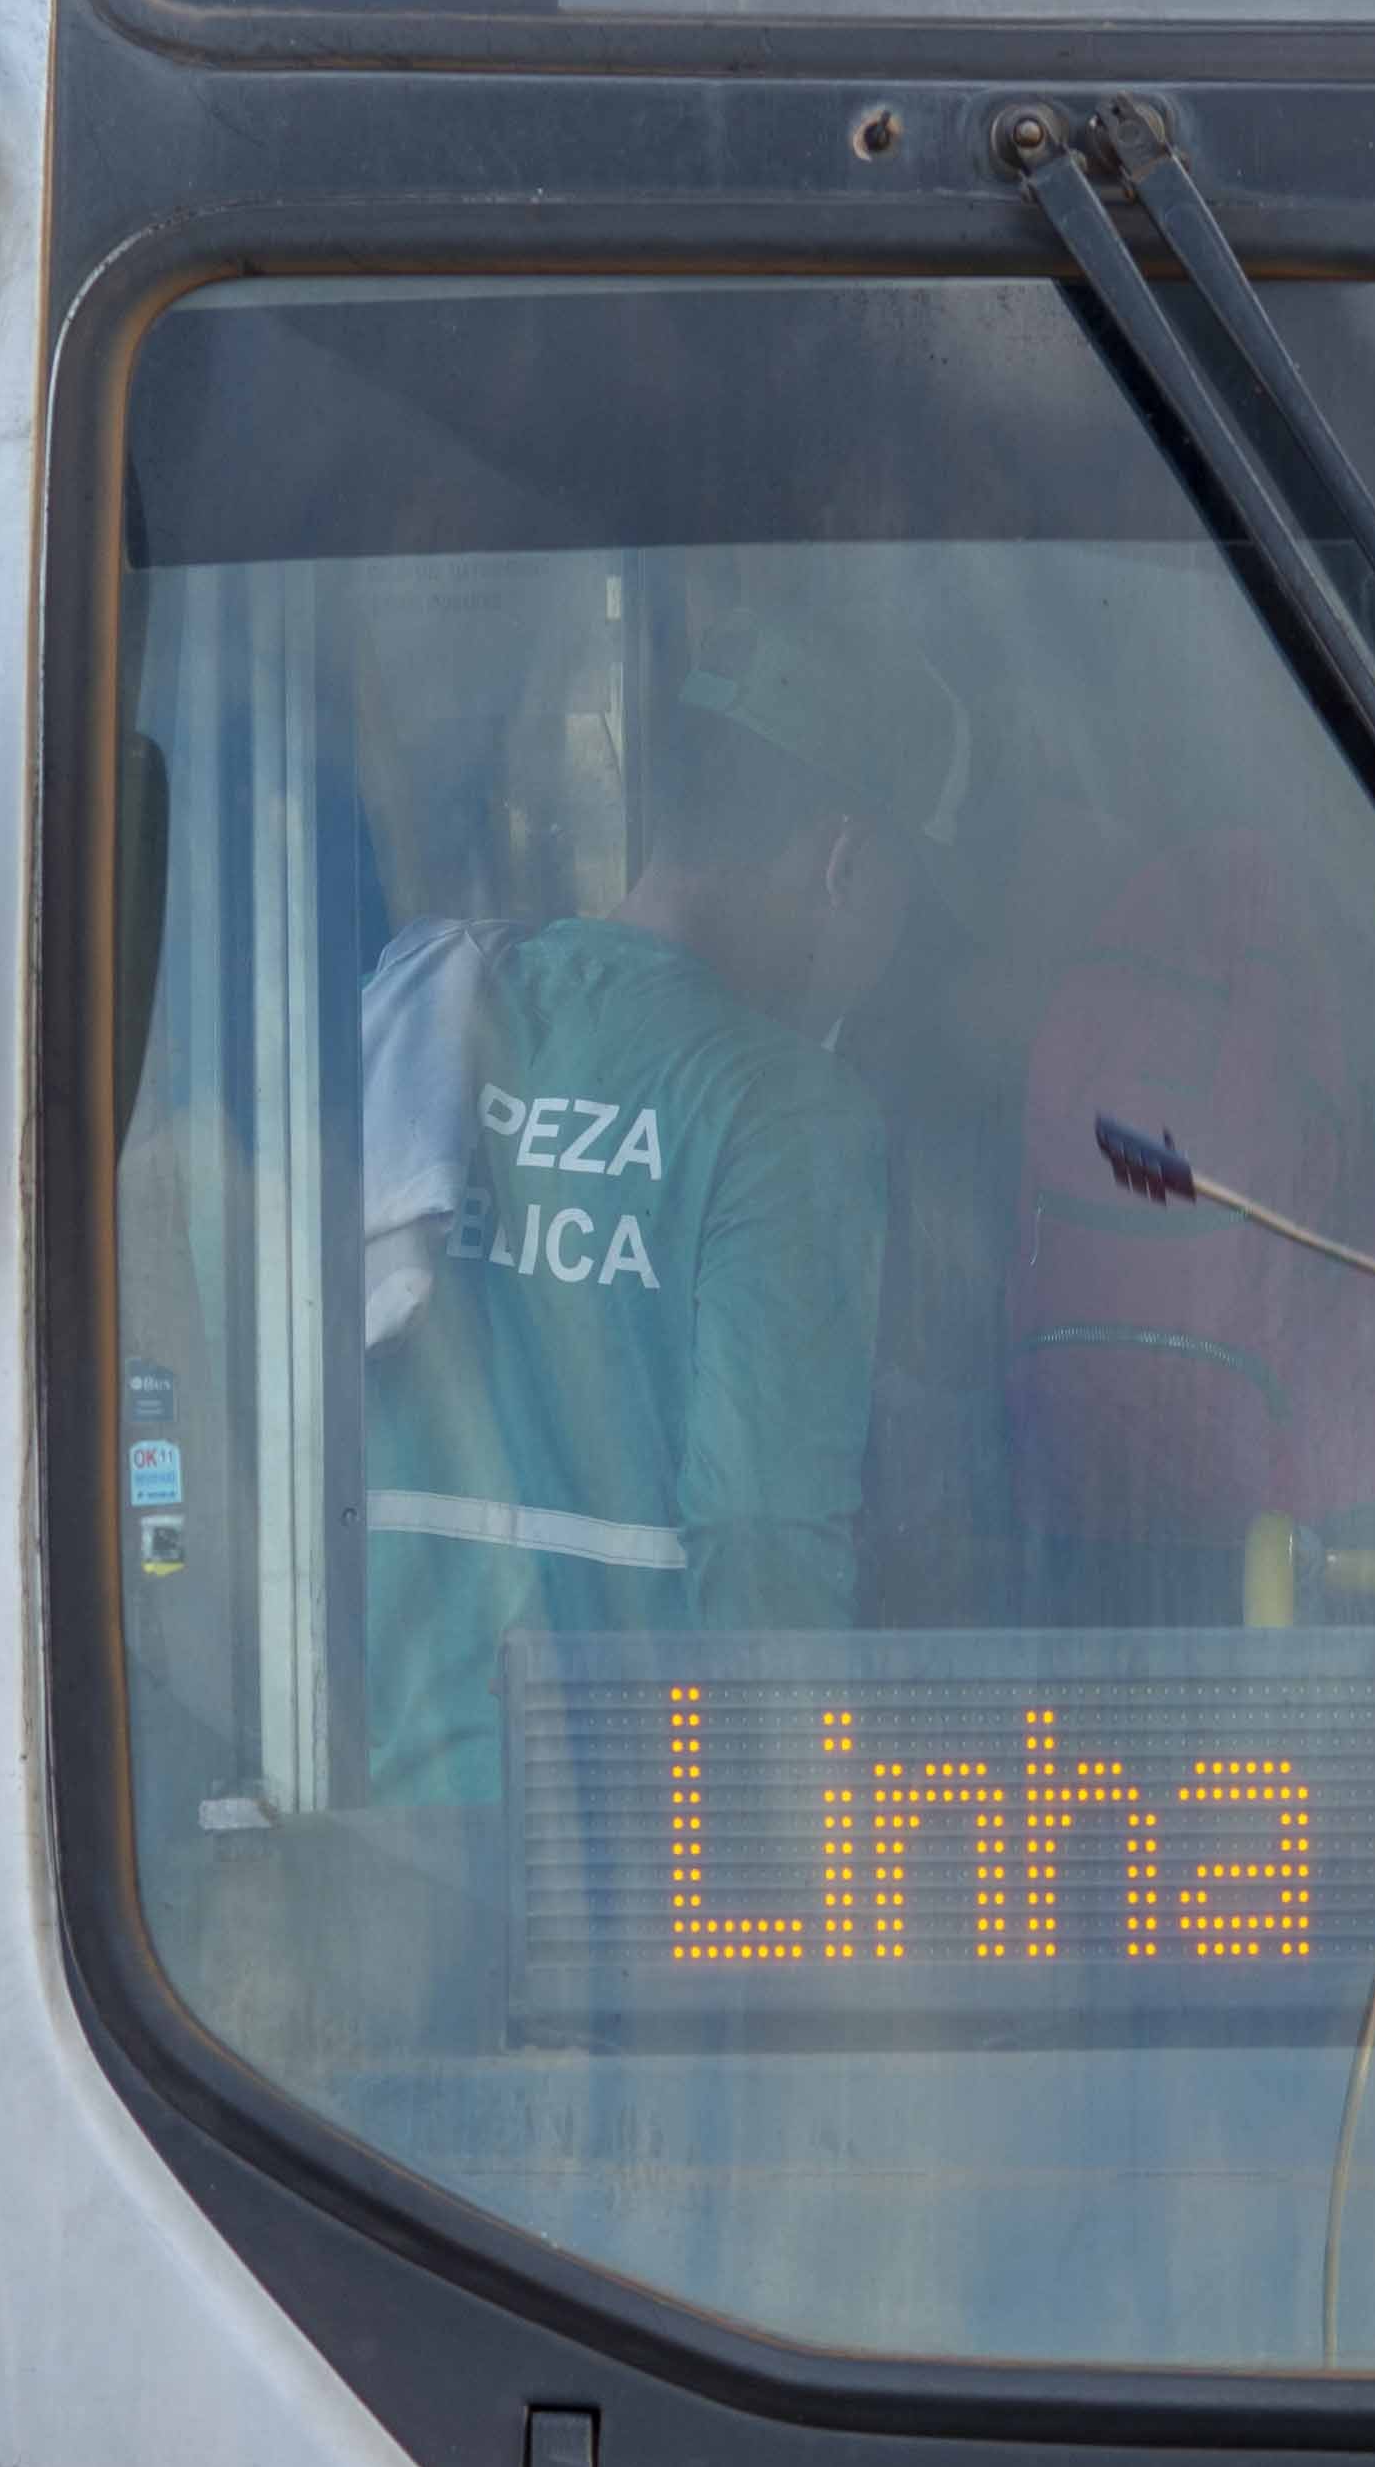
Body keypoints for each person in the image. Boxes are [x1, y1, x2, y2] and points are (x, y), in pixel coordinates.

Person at [353, 622, 957, 1803]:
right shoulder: (789, 1115)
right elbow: (759, 1529)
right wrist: (793, 1843)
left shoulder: (425, 1012)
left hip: (362, 1798)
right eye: (904, 905)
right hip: (602, 1849)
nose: (890, 956)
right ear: (844, 863)